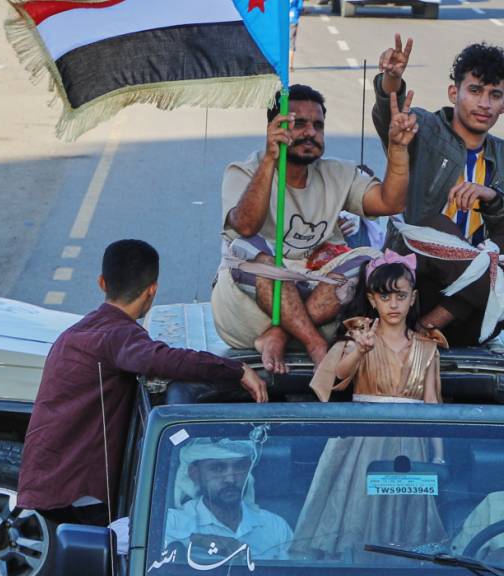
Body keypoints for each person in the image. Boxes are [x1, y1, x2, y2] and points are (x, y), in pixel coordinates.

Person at [18, 240, 267, 527]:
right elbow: (165, 360)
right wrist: (237, 371)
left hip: (46, 482)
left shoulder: (74, 334)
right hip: (81, 490)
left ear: (102, 283)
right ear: (152, 289)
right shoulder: (118, 336)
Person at [372, 36, 504, 359]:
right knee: (438, 225)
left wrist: (490, 197)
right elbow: (388, 116)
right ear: (455, 93)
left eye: (495, 95)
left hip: (477, 307)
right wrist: (391, 80)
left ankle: (435, 322)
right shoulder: (426, 129)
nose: (484, 104)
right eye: (475, 90)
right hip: (421, 282)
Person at [211, 84, 419, 374]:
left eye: (318, 125)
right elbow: (245, 225)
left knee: (370, 257)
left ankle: (281, 333)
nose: (310, 132)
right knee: (247, 247)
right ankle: (313, 343)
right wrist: (271, 159)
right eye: (298, 124)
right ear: (274, 128)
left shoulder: (338, 173)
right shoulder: (244, 171)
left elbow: (390, 202)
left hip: (317, 293)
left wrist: (398, 148)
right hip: (255, 301)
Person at [291, 253, 447, 558]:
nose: (393, 304)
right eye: (385, 296)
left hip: (411, 449)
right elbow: (340, 376)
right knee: (356, 517)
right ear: (371, 300)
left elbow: (433, 407)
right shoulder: (360, 339)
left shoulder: (428, 348)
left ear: (412, 299)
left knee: (405, 528)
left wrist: (439, 459)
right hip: (362, 444)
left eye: (400, 296)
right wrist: (360, 351)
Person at [165, 438, 293, 560]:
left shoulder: (275, 526)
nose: (230, 479)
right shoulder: (173, 522)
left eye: (239, 467)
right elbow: (153, 546)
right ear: (195, 474)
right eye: (218, 468)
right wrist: (198, 540)